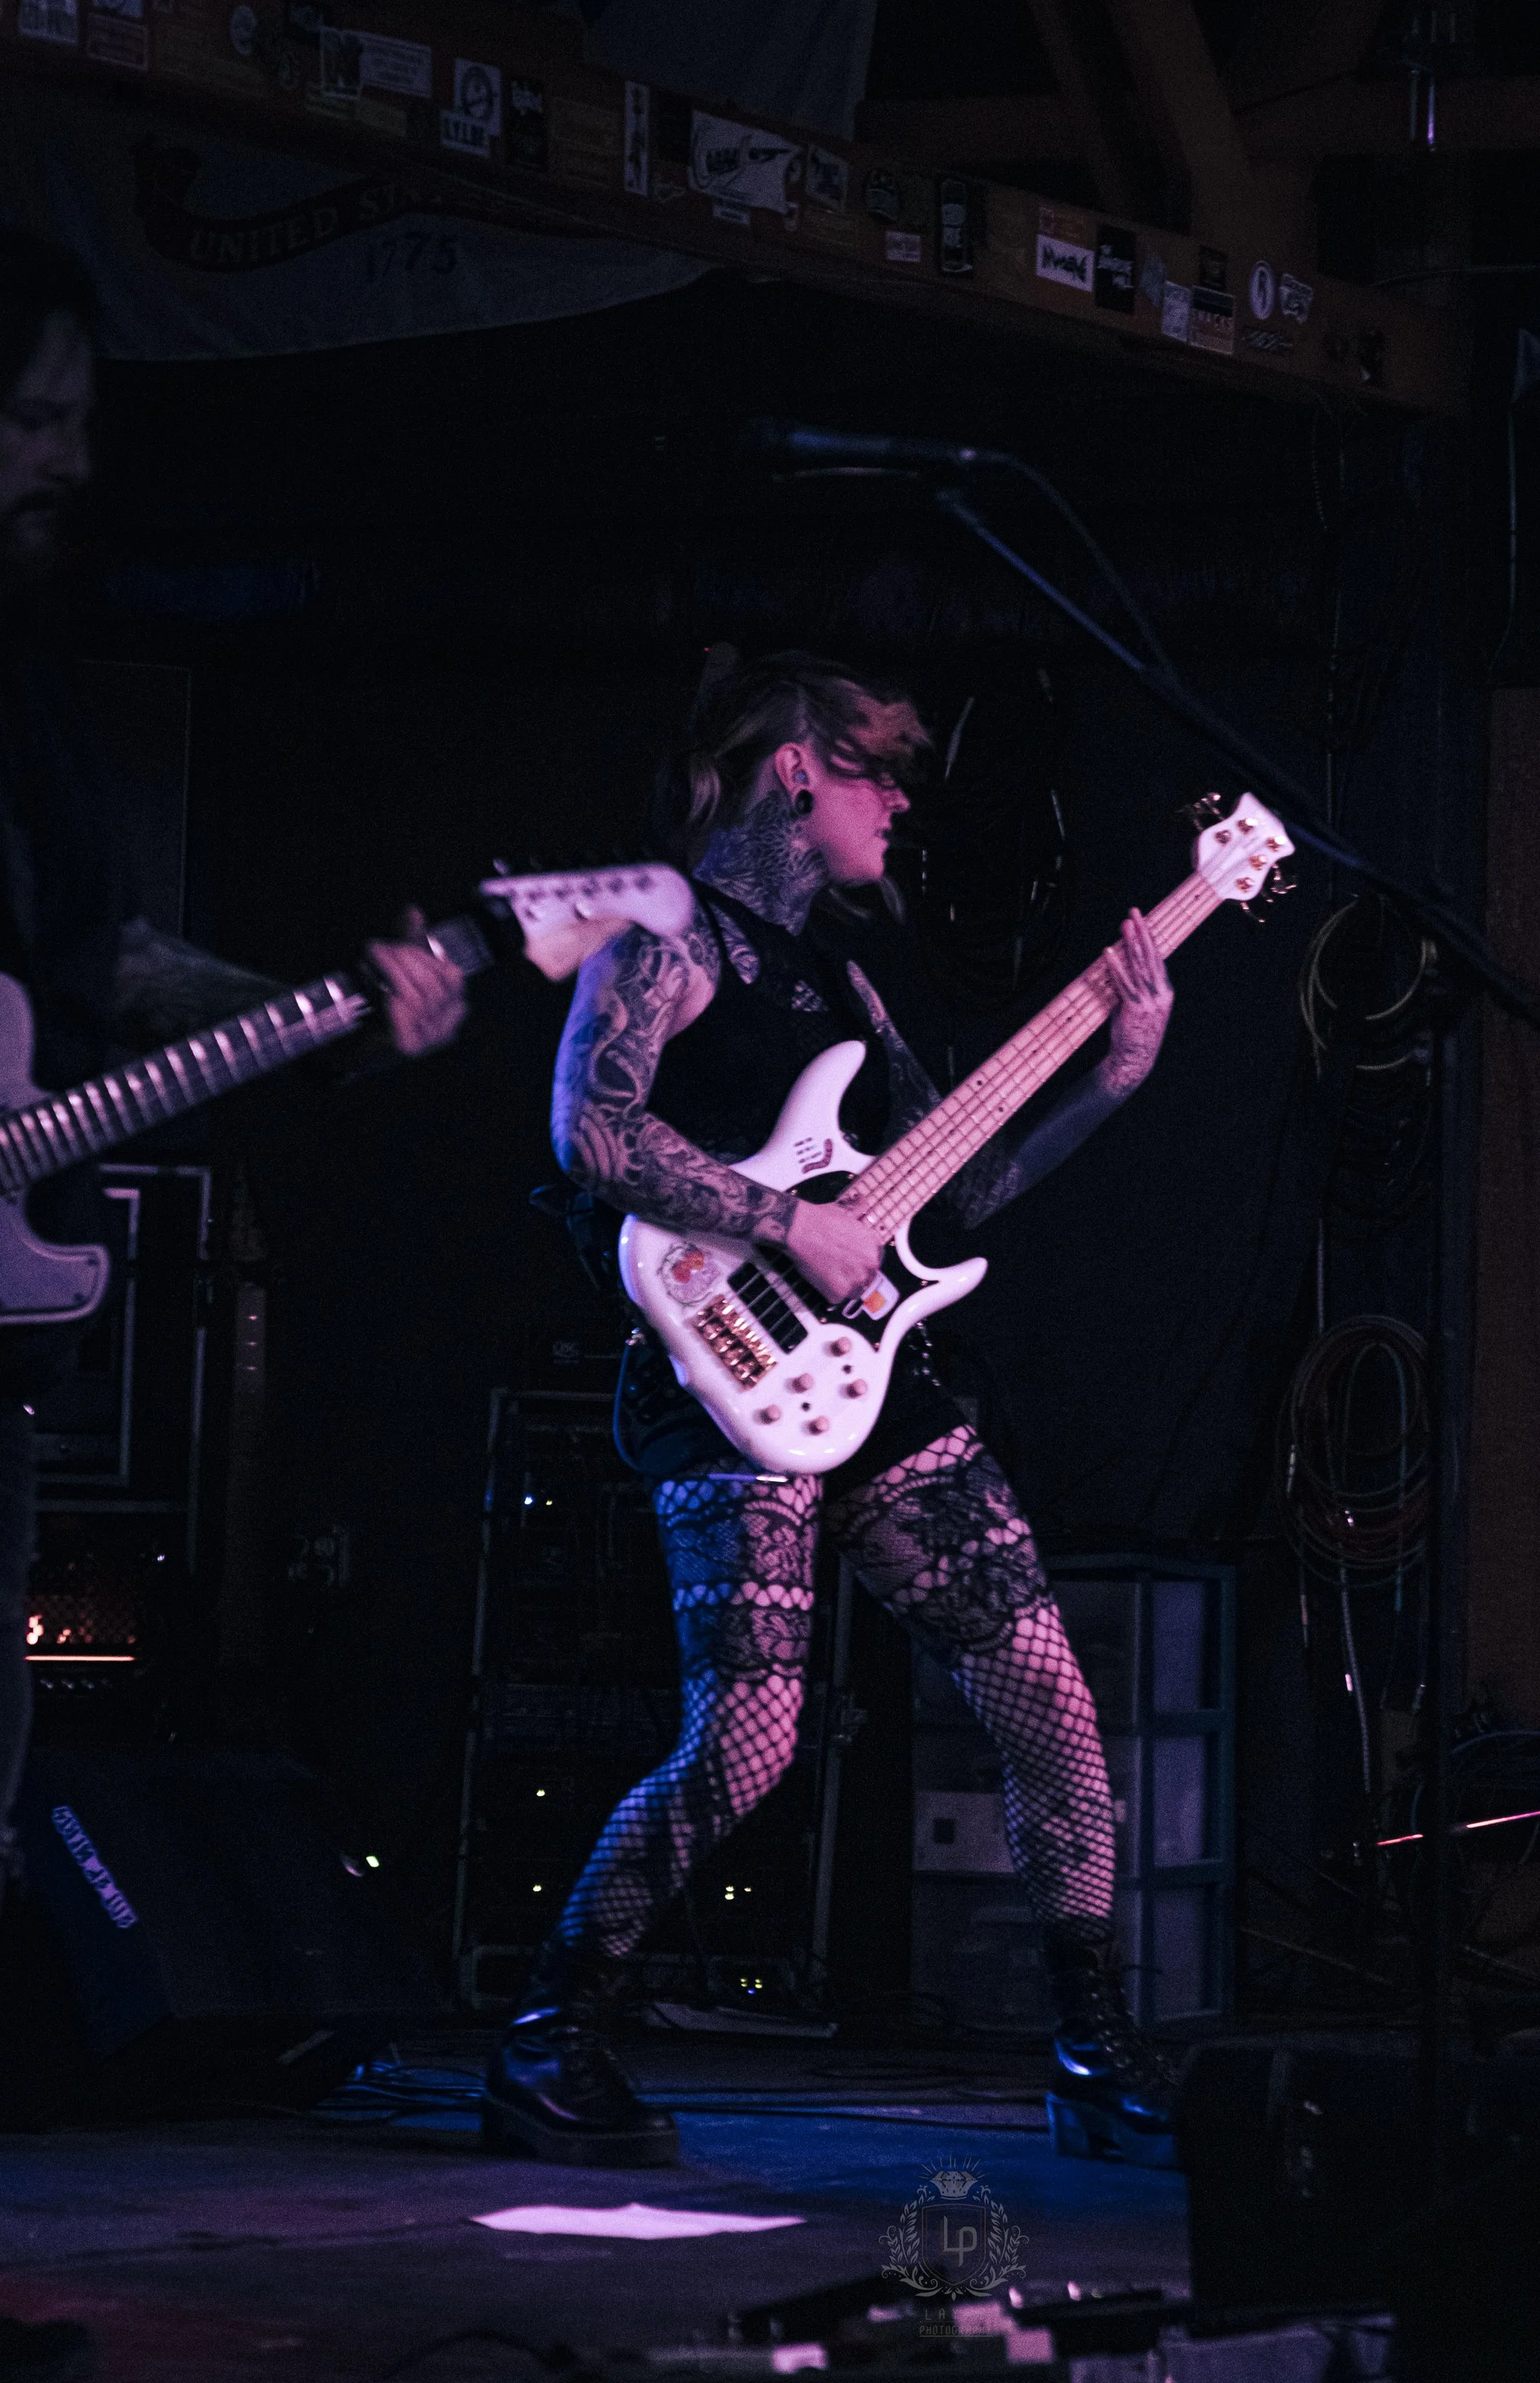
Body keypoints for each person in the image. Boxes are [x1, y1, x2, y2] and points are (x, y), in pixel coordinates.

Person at [483, 648, 1181, 2173]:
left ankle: (1087, 2042)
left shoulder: (851, 980)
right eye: (879, 771)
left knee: (1051, 1703)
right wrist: (786, 1223)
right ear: (797, 763)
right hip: (725, 1365)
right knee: (747, 1738)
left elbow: (963, 1184)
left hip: (877, 1374)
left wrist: (1114, 1073)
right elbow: (591, 1128)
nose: (900, 803)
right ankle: (546, 2033)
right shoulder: (668, 936)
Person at [0, 226, 466, 2077]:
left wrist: (326, 1015)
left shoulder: (31, 691)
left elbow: (103, 964)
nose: (69, 457)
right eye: (30, 418)